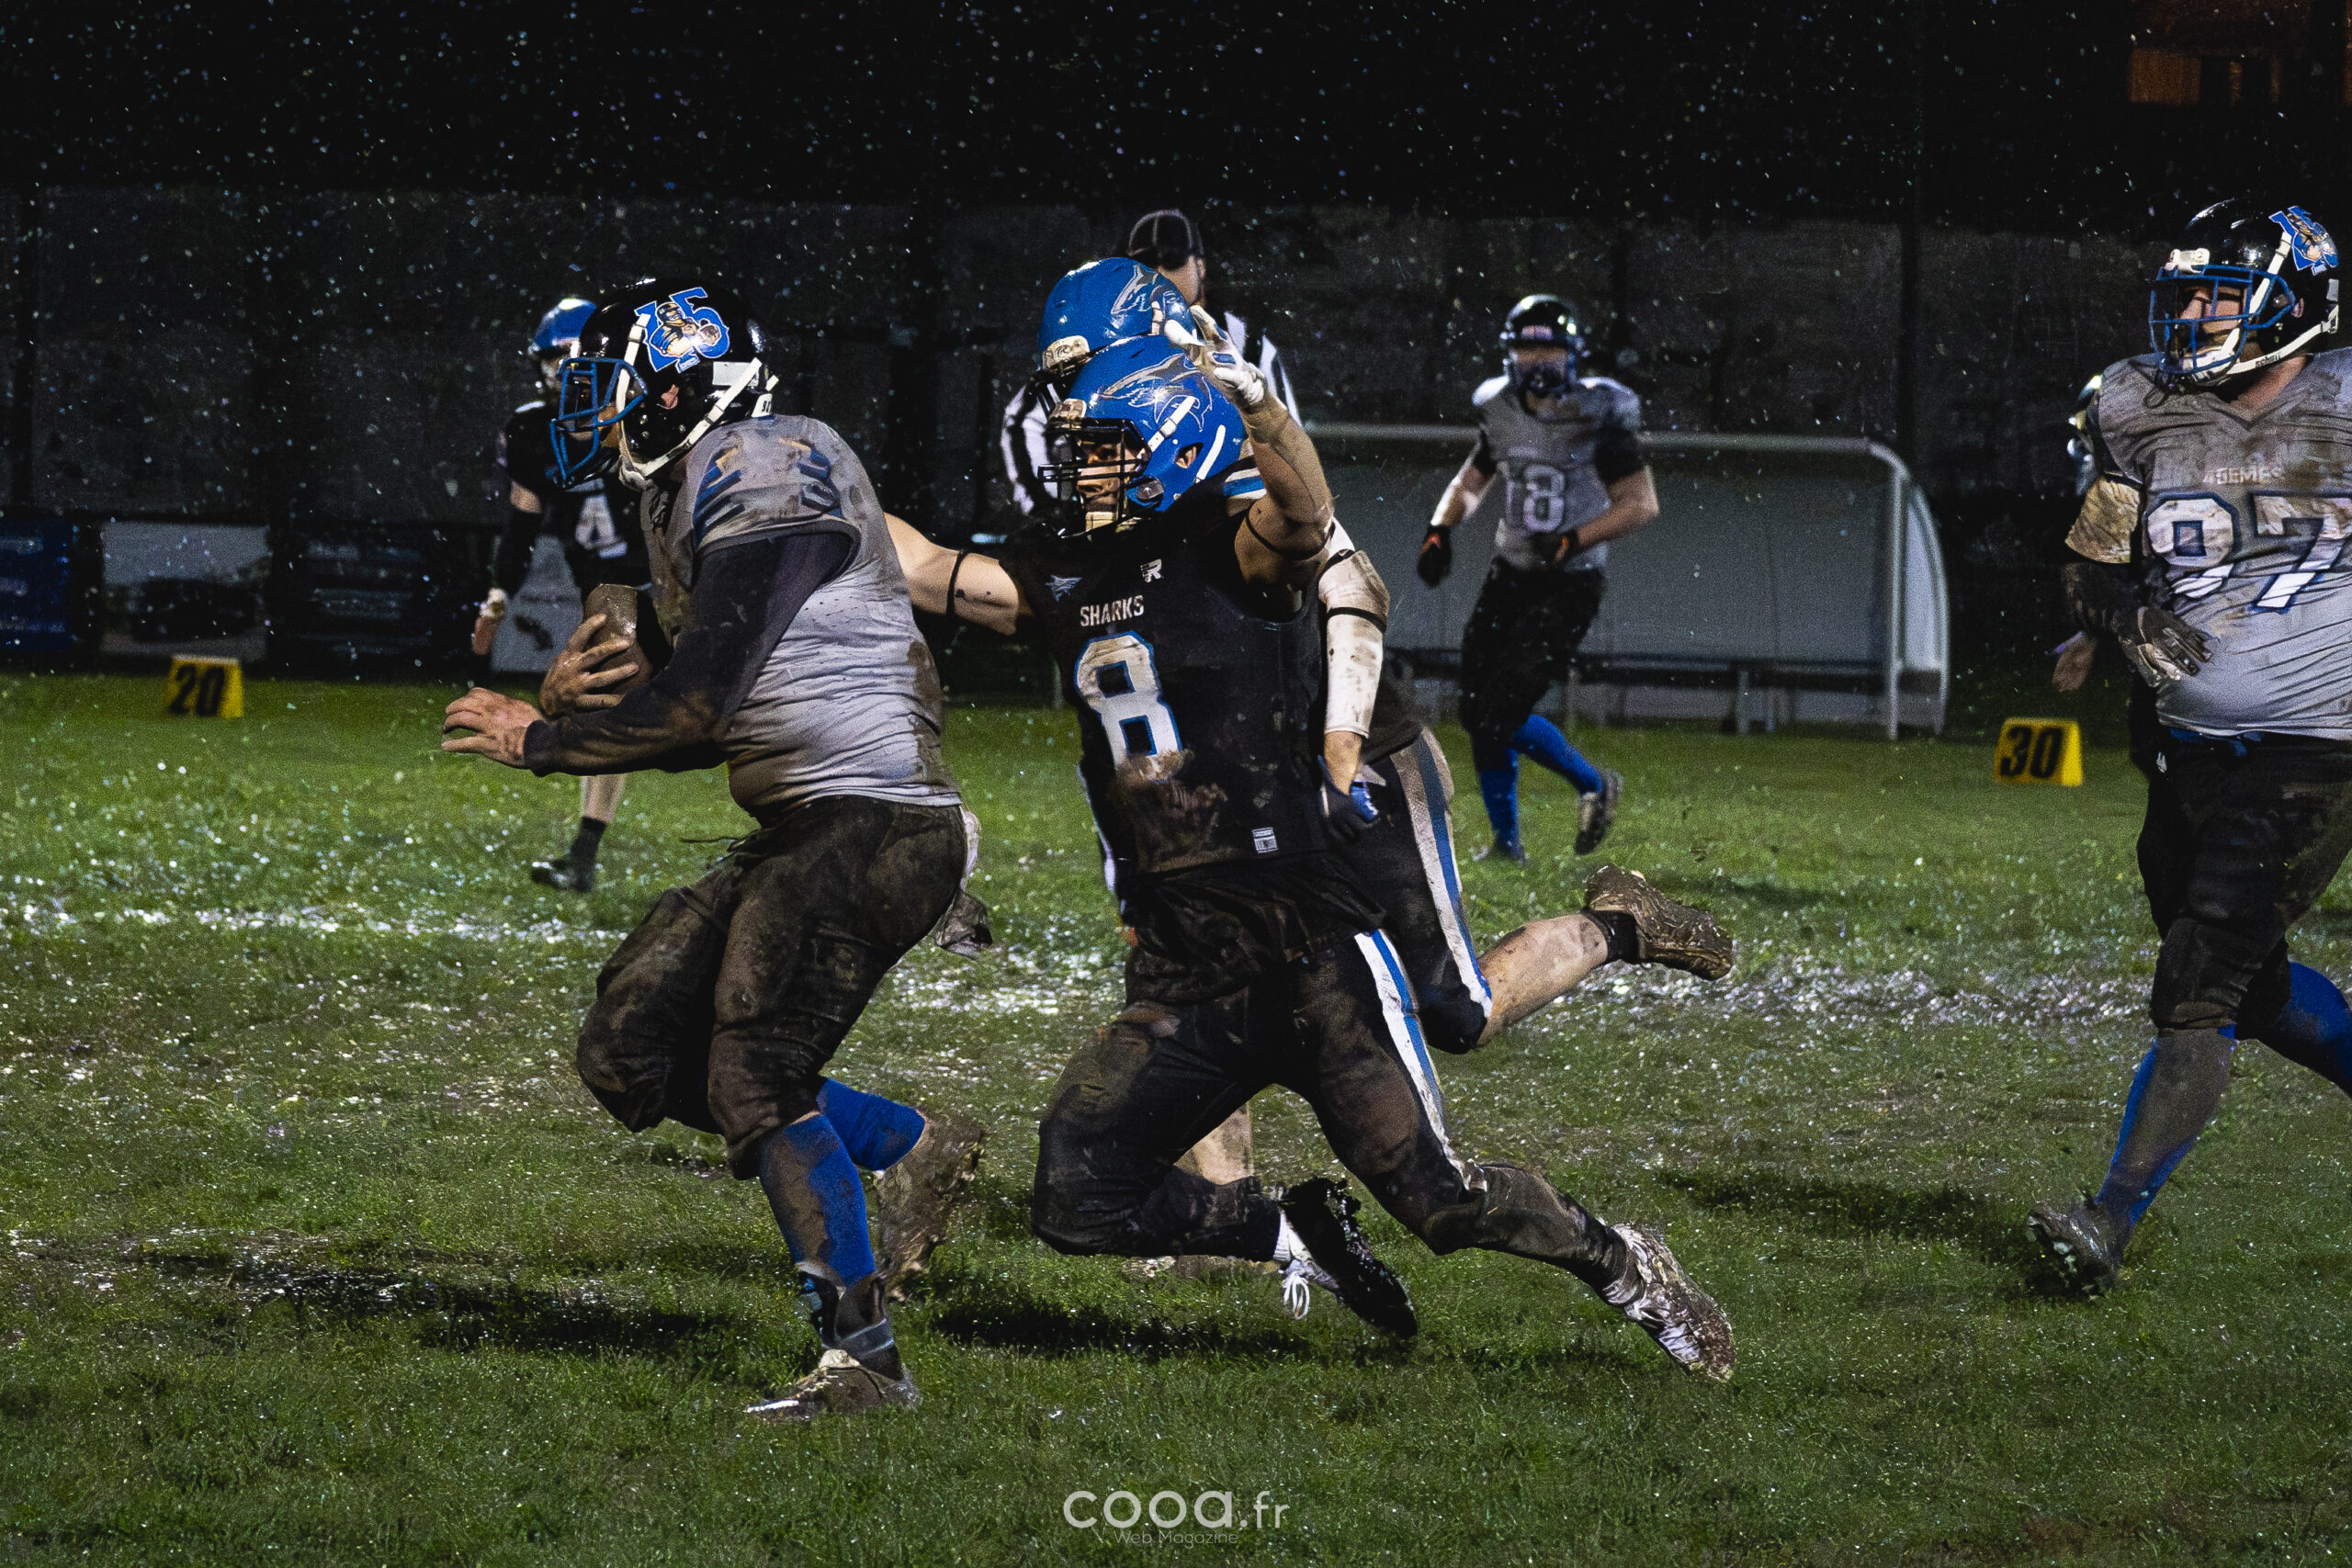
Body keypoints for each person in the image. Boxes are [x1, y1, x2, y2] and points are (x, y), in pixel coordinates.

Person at [894, 327, 1736, 1380]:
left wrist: (1263, 410)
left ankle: (1623, 1264)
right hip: (1186, 966)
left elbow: (1302, 517)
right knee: (1075, 1192)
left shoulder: (1236, 551)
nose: (1082, 470)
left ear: (1169, 445)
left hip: (1309, 952)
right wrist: (809, 476)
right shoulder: (1066, 570)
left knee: (1441, 1201)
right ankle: (1292, 1230)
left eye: (1105, 448)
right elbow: (923, 566)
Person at [442, 278, 988, 1420]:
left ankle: (864, 1360)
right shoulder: (688, 487)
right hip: (812, 822)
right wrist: (587, 714)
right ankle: (909, 1145)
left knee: (753, 1068)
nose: (594, 411)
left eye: (611, 387)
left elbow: (698, 701)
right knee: (629, 1046)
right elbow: (712, 727)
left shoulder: (768, 462)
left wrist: (546, 739)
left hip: (879, 818)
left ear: (685, 386)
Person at [2030, 199, 2352, 1294]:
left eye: (2218, 298)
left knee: (2201, 975)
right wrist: (2120, 618)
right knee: (2248, 987)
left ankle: (2106, 1220)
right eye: (2188, 298)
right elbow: (2091, 559)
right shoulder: (2136, 406)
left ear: (2291, 305)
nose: (2195, 319)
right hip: (2185, 746)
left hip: (2319, 747)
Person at [1416, 295, 1661, 863]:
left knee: (1498, 711)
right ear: (1510, 354)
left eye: (1549, 348)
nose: (1538, 361)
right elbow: (1471, 480)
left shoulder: (1600, 416)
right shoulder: (1499, 407)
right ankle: (1507, 843)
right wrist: (1440, 529)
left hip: (1569, 582)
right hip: (1510, 574)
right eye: (1528, 350)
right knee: (1477, 709)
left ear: (1573, 354)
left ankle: (1593, 783)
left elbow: (1641, 503)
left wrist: (1575, 539)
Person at [472, 296, 648, 894]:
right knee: (607, 709)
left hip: (671, 577)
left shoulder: (642, 415)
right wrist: (500, 590)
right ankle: (584, 855)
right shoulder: (533, 430)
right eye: (552, 361)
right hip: (608, 591)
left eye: (571, 358)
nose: (562, 373)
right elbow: (522, 524)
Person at [996, 209, 1296, 522]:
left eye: (1173, 261)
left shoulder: (1246, 343)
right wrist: (1048, 509)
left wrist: (1267, 499)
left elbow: (1287, 443)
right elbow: (1025, 420)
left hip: (1217, 503)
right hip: (1126, 505)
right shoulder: (1117, 333)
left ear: (1200, 266)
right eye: (1146, 264)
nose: (1160, 273)